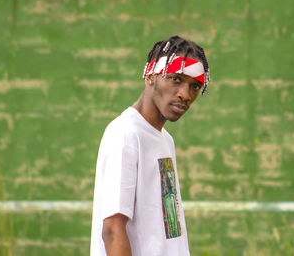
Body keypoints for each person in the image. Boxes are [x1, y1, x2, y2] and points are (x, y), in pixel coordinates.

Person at [90, 35, 210, 256]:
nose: (185, 94)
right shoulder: (125, 133)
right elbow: (112, 229)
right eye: (175, 79)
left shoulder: (165, 140)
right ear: (151, 76)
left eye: (194, 86)